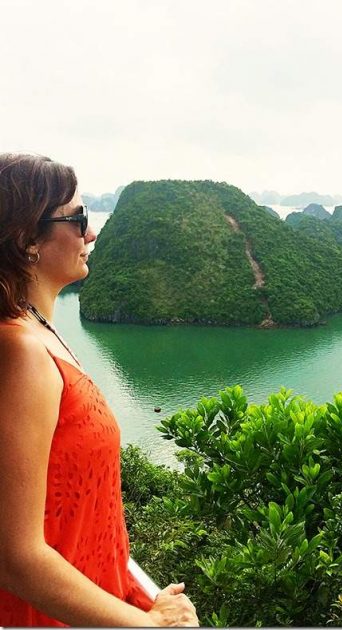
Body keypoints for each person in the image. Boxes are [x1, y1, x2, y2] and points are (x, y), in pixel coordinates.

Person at [0, 153, 199, 627]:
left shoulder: (37, 333)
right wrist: (148, 625)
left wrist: (130, 592)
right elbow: (16, 556)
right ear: (28, 238)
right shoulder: (20, 354)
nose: (91, 234)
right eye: (79, 219)